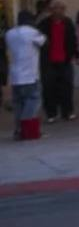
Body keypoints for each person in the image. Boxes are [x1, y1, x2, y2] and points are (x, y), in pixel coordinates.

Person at [37, 0, 78, 121]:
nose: (58, 11)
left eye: (61, 8)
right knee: (49, 88)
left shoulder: (68, 22)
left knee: (67, 87)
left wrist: (73, 54)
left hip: (65, 60)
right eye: (55, 8)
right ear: (51, 10)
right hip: (49, 61)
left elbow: (72, 39)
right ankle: (51, 113)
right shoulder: (44, 24)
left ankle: (68, 111)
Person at [7, 10, 44, 140]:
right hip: (30, 75)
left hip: (15, 76)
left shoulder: (9, 33)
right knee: (32, 101)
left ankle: (18, 130)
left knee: (18, 104)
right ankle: (27, 129)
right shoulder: (32, 32)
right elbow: (43, 41)